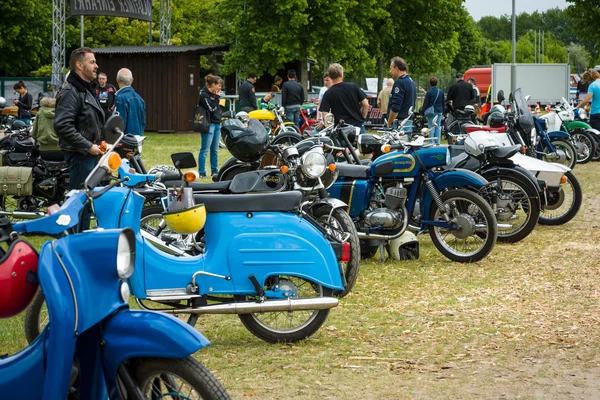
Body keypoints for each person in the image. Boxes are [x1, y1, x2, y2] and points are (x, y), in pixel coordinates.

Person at [54, 47, 105, 231]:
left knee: (85, 203)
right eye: (92, 62)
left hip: (89, 155)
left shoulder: (85, 90)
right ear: (79, 65)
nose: (96, 66)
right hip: (80, 156)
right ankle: (74, 243)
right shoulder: (71, 91)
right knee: (78, 204)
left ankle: (81, 239)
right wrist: (88, 146)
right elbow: (62, 126)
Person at [319, 63, 369, 134]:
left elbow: (325, 116)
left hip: (341, 131)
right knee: (362, 145)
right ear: (342, 74)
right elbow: (366, 104)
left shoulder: (328, 93)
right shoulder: (353, 87)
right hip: (358, 127)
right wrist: (362, 118)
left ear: (330, 76)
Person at [197, 74, 223, 178]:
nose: (220, 88)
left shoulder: (213, 95)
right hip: (208, 124)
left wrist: (216, 97)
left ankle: (214, 171)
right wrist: (216, 97)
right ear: (213, 84)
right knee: (205, 149)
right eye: (219, 85)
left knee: (215, 150)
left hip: (217, 123)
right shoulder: (204, 95)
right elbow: (211, 109)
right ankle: (202, 172)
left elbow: (217, 107)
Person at [114, 68, 146, 136]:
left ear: (117, 80)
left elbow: (119, 126)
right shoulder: (140, 99)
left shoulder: (119, 99)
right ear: (132, 80)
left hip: (125, 141)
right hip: (137, 140)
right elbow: (143, 122)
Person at [386, 57, 416, 129]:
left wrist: (389, 123)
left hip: (399, 123)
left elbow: (396, 107)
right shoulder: (411, 82)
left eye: (391, 68)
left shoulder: (400, 82)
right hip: (408, 122)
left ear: (396, 68)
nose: (390, 71)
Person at [31, 97, 62, 161]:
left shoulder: (40, 113)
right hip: (61, 149)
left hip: (44, 150)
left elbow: (34, 133)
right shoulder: (61, 113)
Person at [420, 77, 445, 144]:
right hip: (439, 111)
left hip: (432, 112)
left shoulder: (429, 92)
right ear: (437, 83)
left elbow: (426, 103)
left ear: (430, 84)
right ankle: (438, 141)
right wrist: (444, 112)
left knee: (431, 127)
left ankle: (431, 141)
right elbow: (443, 102)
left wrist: (422, 113)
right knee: (438, 126)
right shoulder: (441, 92)